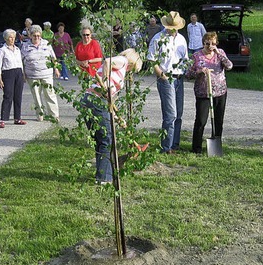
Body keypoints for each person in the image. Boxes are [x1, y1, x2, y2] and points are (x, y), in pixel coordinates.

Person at [80, 48, 142, 184]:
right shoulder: (123, 61)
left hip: (89, 100)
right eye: (132, 69)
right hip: (96, 100)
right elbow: (107, 61)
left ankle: (101, 175)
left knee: (100, 139)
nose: (130, 72)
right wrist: (106, 82)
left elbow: (109, 102)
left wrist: (117, 118)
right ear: (132, 62)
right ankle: (104, 178)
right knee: (106, 140)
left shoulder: (120, 69)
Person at [147, 11, 188, 153]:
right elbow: (152, 60)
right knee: (170, 114)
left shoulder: (182, 39)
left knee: (179, 113)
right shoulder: (158, 38)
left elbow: (185, 59)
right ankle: (166, 147)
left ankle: (174, 144)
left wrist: (187, 70)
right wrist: (161, 75)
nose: (173, 28)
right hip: (166, 78)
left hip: (179, 78)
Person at [185, 32, 232, 154]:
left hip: (220, 92)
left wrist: (218, 54)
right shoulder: (196, 56)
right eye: (207, 44)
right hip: (203, 93)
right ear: (203, 43)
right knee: (201, 120)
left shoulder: (220, 53)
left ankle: (215, 147)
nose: (210, 46)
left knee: (218, 120)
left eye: (213, 43)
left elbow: (229, 66)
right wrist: (200, 71)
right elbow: (188, 74)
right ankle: (196, 148)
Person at [21, 24, 61, 122]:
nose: (37, 38)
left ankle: (54, 115)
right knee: (36, 96)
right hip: (32, 75)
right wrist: (23, 74)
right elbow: (21, 61)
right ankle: (40, 115)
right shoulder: (25, 46)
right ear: (30, 35)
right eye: (34, 35)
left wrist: (56, 68)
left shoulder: (46, 43)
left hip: (47, 74)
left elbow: (53, 57)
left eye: (38, 35)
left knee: (50, 94)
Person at [0, 29, 26, 128]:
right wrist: (0, 78)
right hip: (8, 73)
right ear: (5, 38)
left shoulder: (17, 49)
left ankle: (17, 118)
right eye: (10, 37)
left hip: (18, 72)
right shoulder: (2, 50)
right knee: (8, 96)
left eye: (13, 37)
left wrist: (23, 74)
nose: (12, 39)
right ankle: (3, 119)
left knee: (18, 96)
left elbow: (20, 63)